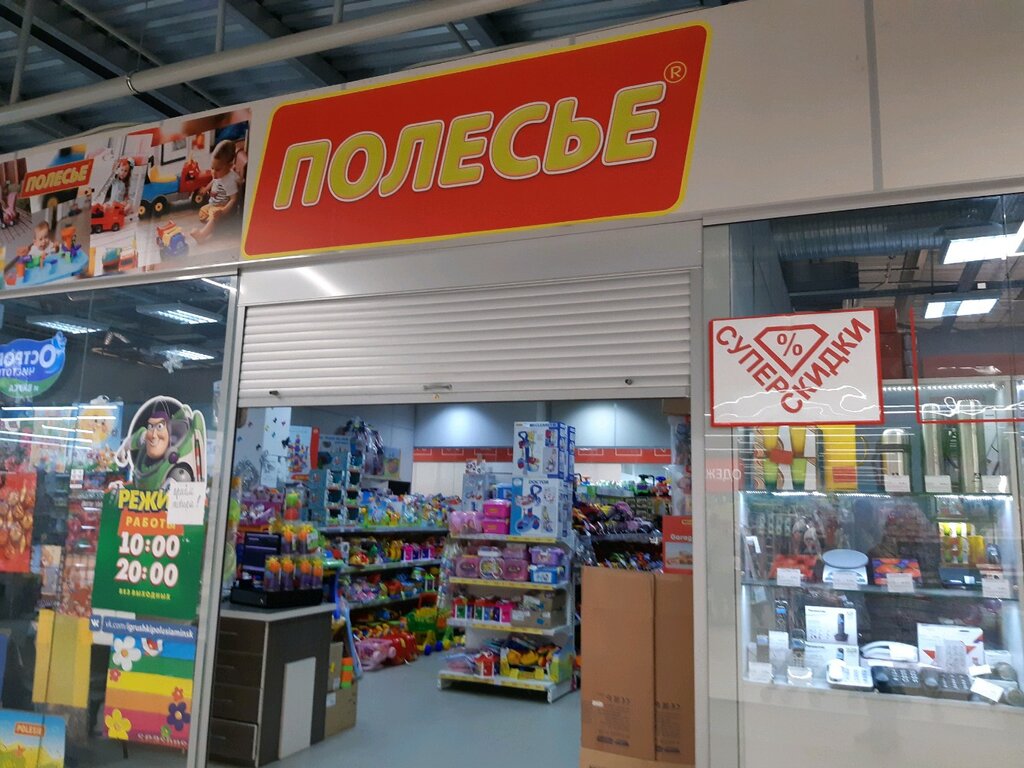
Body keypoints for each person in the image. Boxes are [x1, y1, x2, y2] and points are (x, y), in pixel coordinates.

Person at [191, 140, 240, 243]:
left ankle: (202, 235)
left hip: (222, 207)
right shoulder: (219, 175)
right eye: (212, 168)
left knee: (214, 215)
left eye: (217, 169)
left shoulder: (229, 180)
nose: (213, 172)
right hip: (214, 204)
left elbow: (233, 199)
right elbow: (213, 181)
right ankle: (215, 224)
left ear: (230, 166)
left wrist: (223, 211)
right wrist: (206, 189)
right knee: (202, 211)